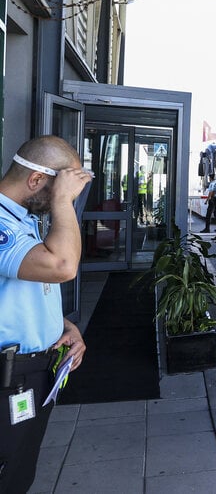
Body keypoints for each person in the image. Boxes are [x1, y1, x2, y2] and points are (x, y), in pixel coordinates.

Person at [0, 135, 90, 494]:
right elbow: (62, 266)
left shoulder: (19, 217)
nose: (61, 198)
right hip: (9, 376)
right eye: (57, 188)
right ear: (36, 181)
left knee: (19, 469)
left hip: (33, 370)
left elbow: (26, 288)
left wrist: (63, 326)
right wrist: (62, 204)